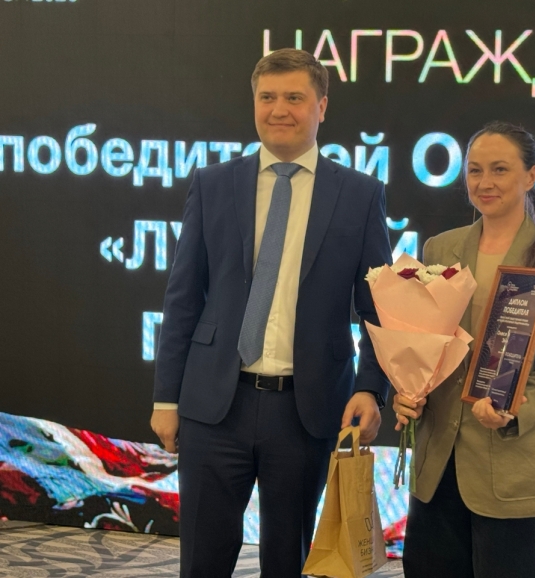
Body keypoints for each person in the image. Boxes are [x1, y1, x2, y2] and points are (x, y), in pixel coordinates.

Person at [150, 48, 391, 578]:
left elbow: (377, 307)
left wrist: (372, 389)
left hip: (305, 412)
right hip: (214, 406)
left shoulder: (360, 194)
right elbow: (183, 297)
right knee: (202, 559)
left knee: (288, 559)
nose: (279, 109)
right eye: (267, 97)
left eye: (294, 97)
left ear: (321, 106)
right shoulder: (213, 184)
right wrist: (166, 397)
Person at [393, 121, 535, 578]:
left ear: (531, 175)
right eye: (475, 170)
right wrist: (408, 390)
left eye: (500, 169)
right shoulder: (440, 248)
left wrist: (513, 410)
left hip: (511, 470)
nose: (485, 182)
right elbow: (426, 345)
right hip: (439, 468)